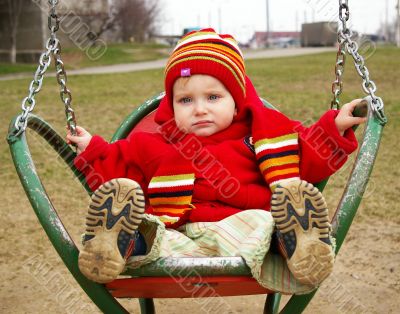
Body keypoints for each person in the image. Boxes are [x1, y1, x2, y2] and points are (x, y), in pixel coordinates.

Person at [67, 28, 366, 292]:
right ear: (172, 106)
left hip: (242, 235)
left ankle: (295, 243)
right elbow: (116, 164)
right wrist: (91, 148)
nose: (199, 109)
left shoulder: (262, 137)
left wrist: (333, 129)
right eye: (185, 100)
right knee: (149, 230)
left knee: (265, 224)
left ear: (237, 100)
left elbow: (307, 153)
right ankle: (119, 243)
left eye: (213, 97)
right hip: (179, 237)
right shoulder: (153, 143)